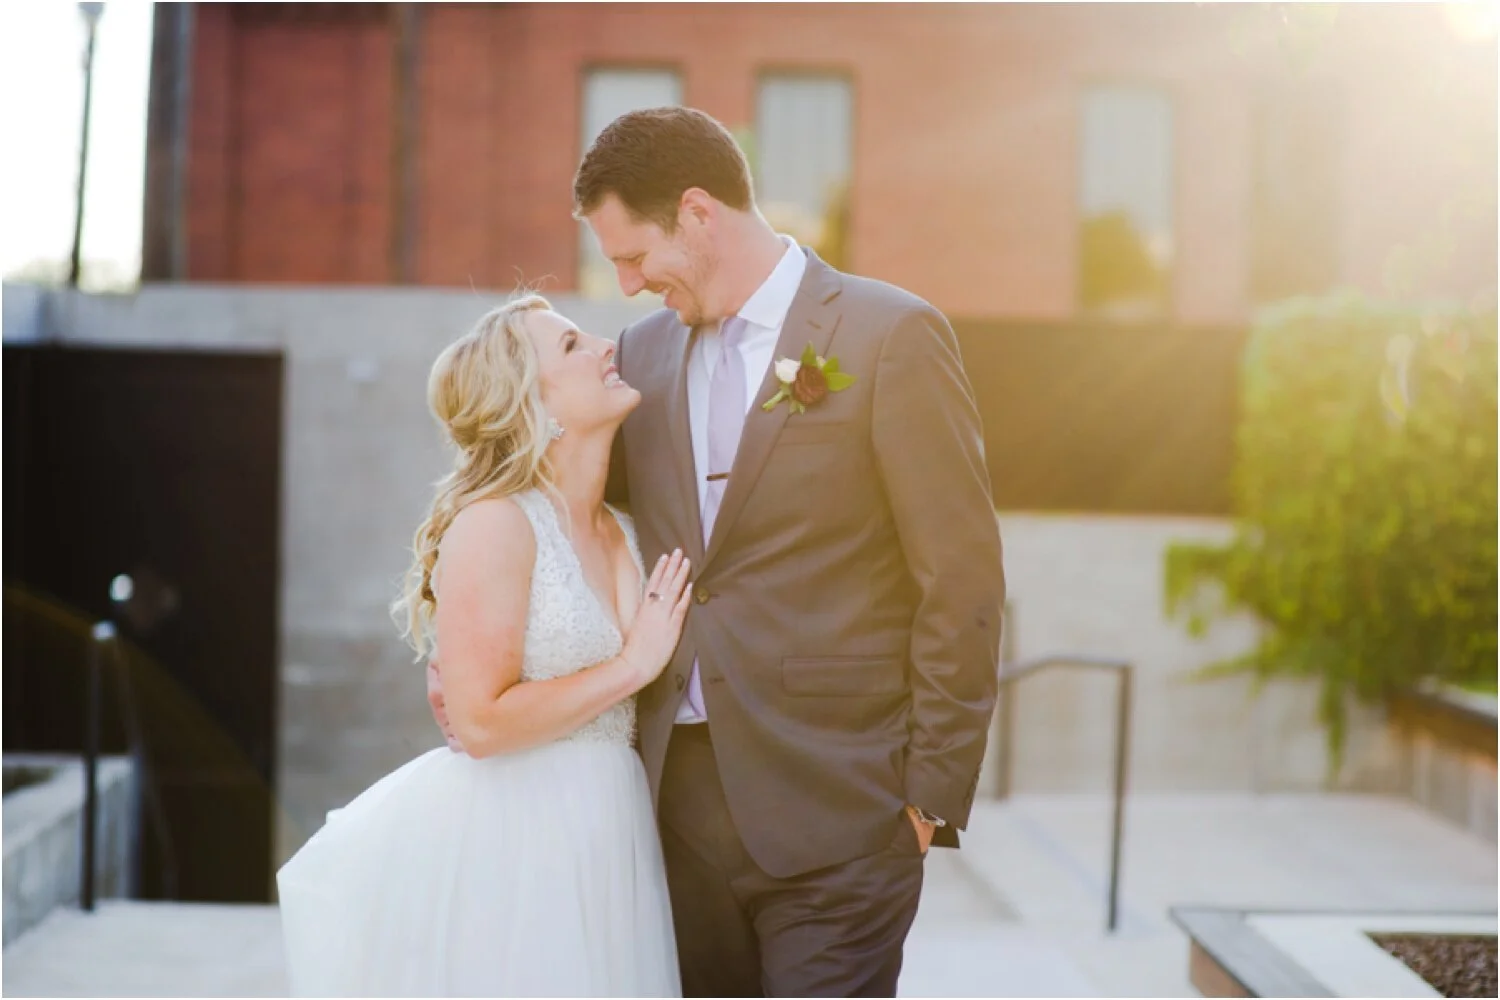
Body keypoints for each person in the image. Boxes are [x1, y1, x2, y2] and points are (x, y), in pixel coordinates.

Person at [437, 106, 1008, 997]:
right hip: (672, 821)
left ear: (698, 214)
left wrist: (927, 797)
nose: (626, 285)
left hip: (843, 809)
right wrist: (460, 638)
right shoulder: (641, 360)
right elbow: (550, 503)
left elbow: (960, 577)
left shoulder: (889, 335)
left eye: (634, 256)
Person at [277, 295, 688, 997]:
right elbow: (480, 721)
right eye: (571, 345)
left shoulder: (628, 526)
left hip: (615, 832)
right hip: (520, 842)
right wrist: (631, 666)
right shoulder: (496, 524)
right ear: (534, 404)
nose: (604, 345)